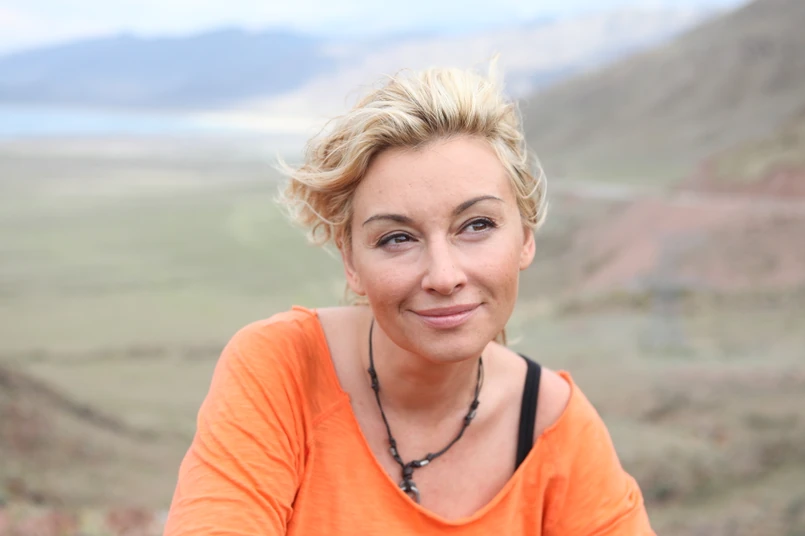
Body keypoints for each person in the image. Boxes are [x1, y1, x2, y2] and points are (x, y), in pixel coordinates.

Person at [163, 64, 655, 535]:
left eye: (477, 225)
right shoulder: (282, 369)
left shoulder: (554, 426)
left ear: (526, 238)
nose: (443, 276)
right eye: (397, 238)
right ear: (351, 262)